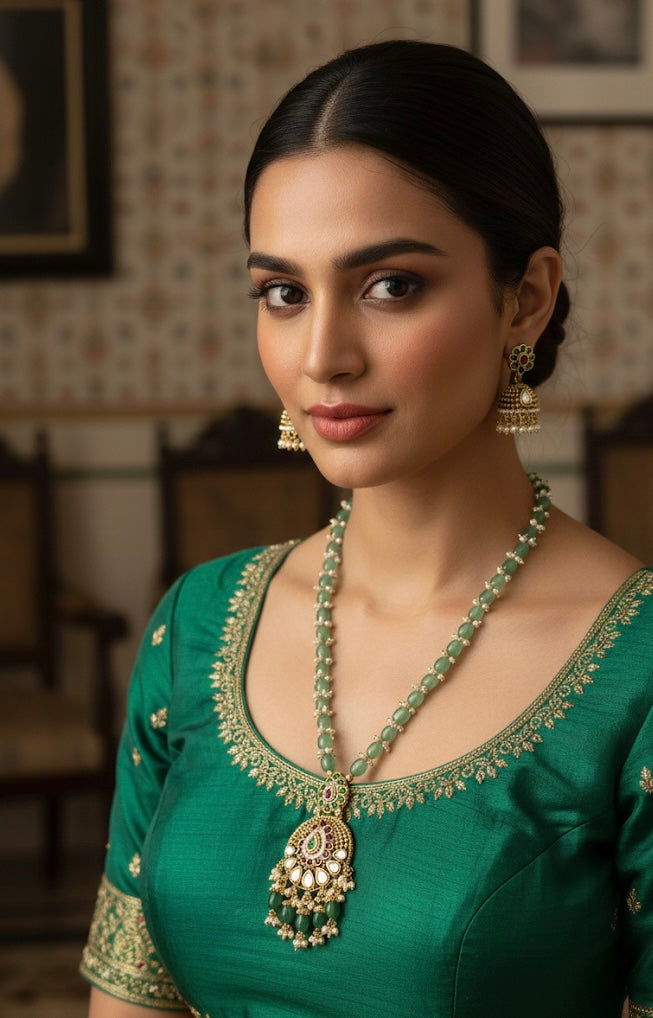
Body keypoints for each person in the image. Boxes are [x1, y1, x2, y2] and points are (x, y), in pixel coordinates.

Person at [81, 40, 653, 1018]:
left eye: (389, 285)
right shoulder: (199, 626)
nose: (321, 356)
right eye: (281, 292)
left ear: (525, 296)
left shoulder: (633, 674)